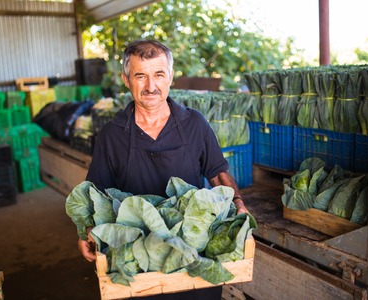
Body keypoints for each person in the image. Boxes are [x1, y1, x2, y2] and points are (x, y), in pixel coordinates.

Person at [79, 39, 250, 299]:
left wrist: (238, 202)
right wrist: (85, 230)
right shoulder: (111, 134)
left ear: (170, 77)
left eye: (159, 74)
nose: (151, 86)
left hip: (193, 252)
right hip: (138, 258)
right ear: (127, 80)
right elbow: (95, 192)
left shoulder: (195, 123)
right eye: (140, 76)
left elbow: (216, 171)